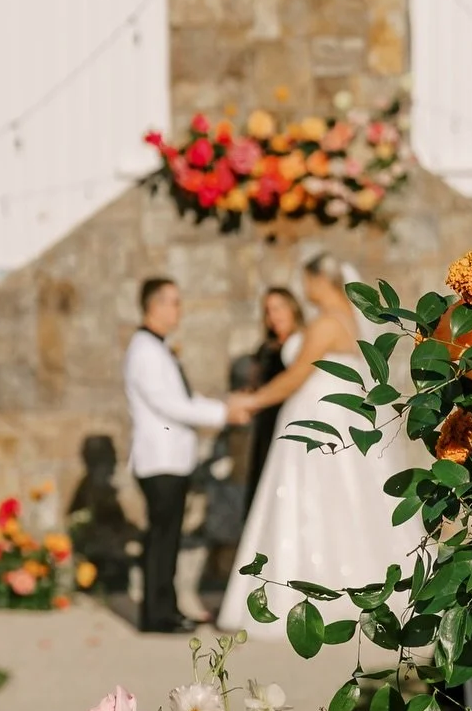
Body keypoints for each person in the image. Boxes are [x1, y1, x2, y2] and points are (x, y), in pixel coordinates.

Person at [217, 252, 413, 632]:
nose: (304, 289)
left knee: (312, 502)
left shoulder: (326, 323)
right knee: (344, 502)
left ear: (321, 281)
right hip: (338, 421)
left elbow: (296, 377)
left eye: (307, 281)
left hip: (319, 424)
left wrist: (252, 401)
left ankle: (307, 596)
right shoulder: (353, 319)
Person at [123, 277, 250, 634]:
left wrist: (224, 408)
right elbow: (170, 405)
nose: (179, 309)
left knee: (169, 538)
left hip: (172, 459)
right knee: (161, 540)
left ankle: (167, 609)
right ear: (154, 306)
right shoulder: (144, 351)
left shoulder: (158, 348)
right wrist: (223, 414)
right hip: (159, 460)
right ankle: (157, 616)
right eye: (174, 302)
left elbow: (186, 399)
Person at [243, 286, 305, 512]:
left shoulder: (304, 345)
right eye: (268, 311)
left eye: (279, 308)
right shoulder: (265, 349)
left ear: (293, 309)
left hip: (292, 423)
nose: (274, 316)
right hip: (267, 424)